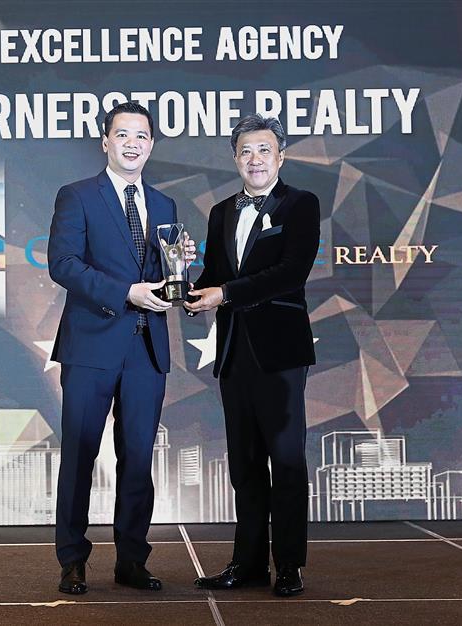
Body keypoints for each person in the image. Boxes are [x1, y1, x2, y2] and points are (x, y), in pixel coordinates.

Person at [48, 101, 194, 594]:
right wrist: (125, 292)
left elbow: (165, 277)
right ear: (105, 141)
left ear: (151, 145)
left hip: (146, 349)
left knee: (137, 459)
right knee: (79, 456)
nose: (133, 144)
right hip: (91, 345)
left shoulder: (165, 205)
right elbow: (63, 263)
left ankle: (132, 559)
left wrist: (180, 267)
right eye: (123, 135)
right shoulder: (77, 195)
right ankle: (72, 560)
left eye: (142, 136)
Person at [185, 114, 319, 597]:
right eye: (246, 151)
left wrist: (224, 293)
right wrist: (183, 283)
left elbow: (291, 273)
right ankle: (247, 563)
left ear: (281, 156)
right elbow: (213, 275)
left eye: (264, 150)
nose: (255, 159)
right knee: (244, 466)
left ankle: (289, 565)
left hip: (280, 353)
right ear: (235, 159)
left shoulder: (300, 204)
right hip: (233, 351)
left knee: (286, 461)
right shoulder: (221, 211)